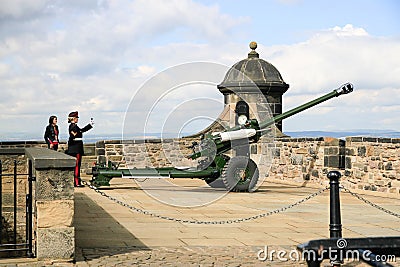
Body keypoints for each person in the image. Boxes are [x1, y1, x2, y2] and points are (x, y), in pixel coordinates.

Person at [67, 111, 93, 187]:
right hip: (76, 148)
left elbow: (81, 130)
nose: (77, 119)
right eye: (76, 118)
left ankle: (76, 180)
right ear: (73, 118)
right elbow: (74, 135)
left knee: (77, 165)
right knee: (77, 165)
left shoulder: (75, 126)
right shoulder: (73, 126)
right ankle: (76, 181)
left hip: (76, 147)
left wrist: (90, 125)